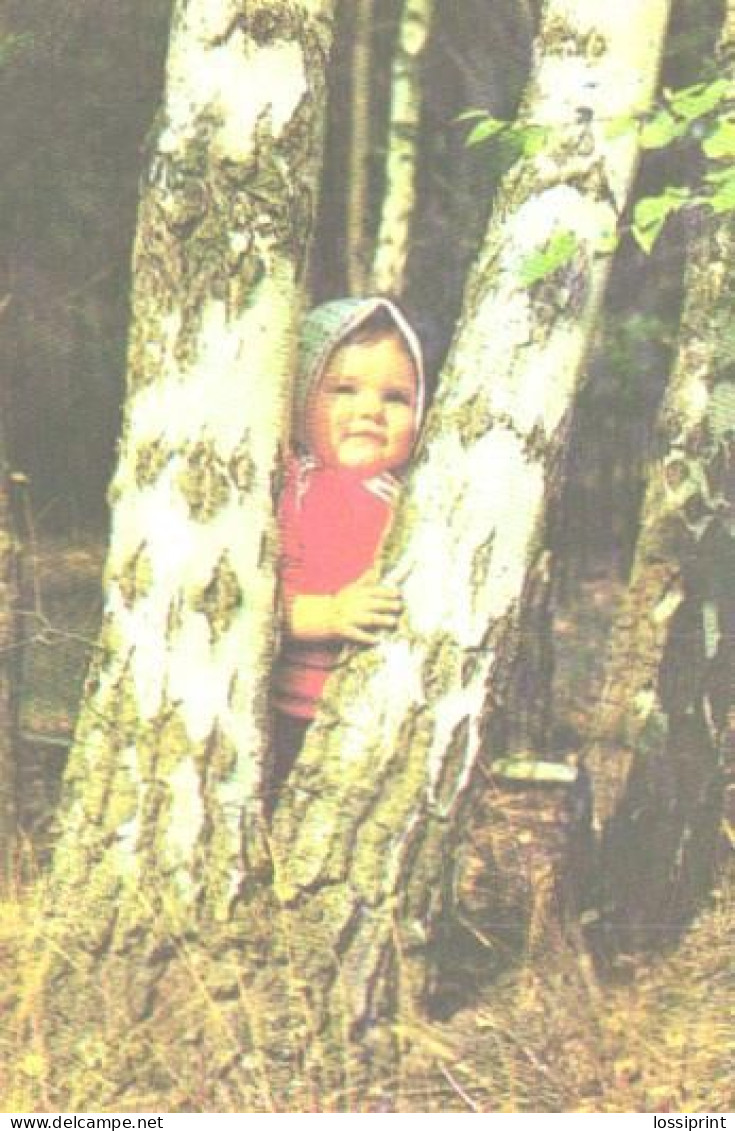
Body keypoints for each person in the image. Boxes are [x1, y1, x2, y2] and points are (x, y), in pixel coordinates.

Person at [269, 296, 425, 810]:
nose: (370, 411)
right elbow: (264, 603)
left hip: (377, 715)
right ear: (299, 398)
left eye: (396, 398)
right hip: (294, 711)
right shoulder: (295, 489)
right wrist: (331, 613)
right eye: (343, 390)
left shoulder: (411, 498)